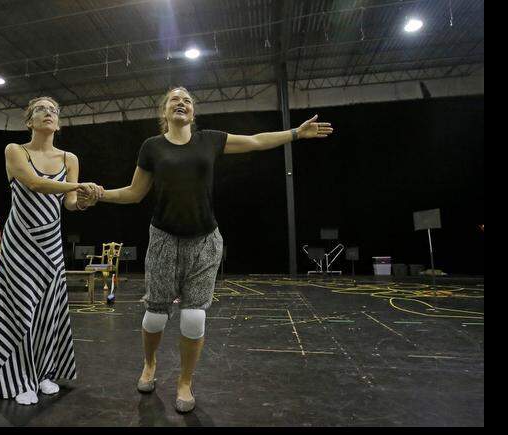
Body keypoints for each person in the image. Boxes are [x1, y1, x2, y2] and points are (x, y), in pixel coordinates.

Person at [94, 86, 333, 412]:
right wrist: (99, 194)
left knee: (193, 318)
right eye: (174, 100)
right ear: (164, 113)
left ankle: (185, 382)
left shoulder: (209, 140)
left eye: (187, 101)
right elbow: (135, 193)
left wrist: (295, 133)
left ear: (193, 113)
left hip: (204, 240)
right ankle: (149, 364)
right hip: (163, 239)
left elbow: (255, 141)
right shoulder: (151, 147)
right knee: (155, 317)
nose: (181, 103)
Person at [0, 96, 100, 405]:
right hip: (20, 245)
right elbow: (34, 184)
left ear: (58, 123)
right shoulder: (14, 151)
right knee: (21, 312)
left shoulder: (69, 159)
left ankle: (45, 372)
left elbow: (70, 204)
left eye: (53, 111)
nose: (47, 113)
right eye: (40, 110)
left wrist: (86, 199)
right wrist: (78, 187)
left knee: (49, 311)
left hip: (51, 246)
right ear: (29, 121)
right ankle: (19, 378)